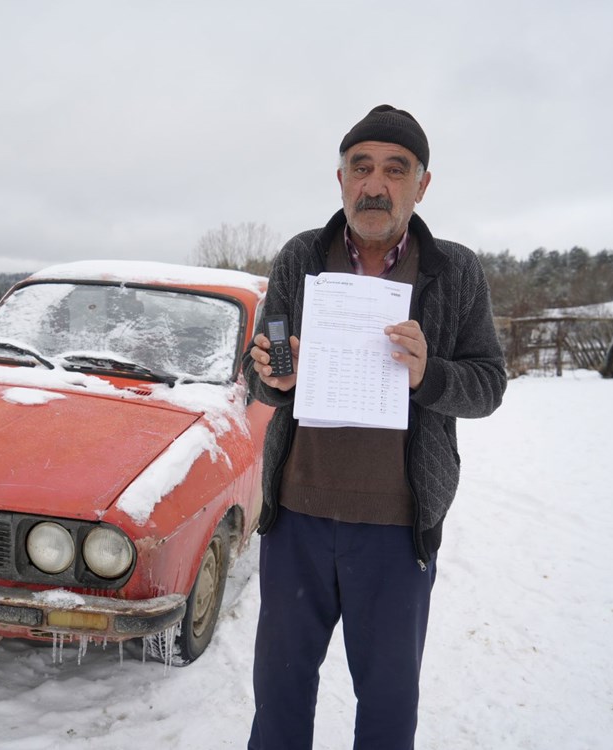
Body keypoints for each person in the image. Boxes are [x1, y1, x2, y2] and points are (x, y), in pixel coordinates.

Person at [244, 105, 507, 750]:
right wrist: (272, 380)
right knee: (279, 698)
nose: (375, 183)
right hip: (298, 519)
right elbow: (260, 373)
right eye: (361, 167)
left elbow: (489, 385)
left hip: (397, 531)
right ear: (340, 179)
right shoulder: (301, 256)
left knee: (388, 707)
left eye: (396, 169)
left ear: (422, 184)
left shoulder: (455, 272)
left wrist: (431, 375)